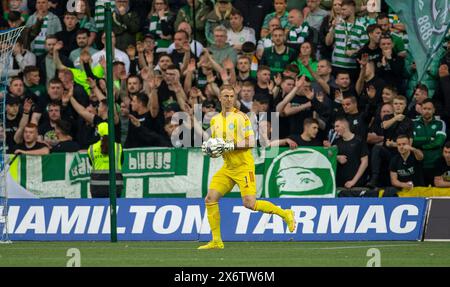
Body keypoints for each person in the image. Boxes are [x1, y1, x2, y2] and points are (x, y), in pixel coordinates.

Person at [198, 85, 295, 250]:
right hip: (228, 168)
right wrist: (210, 149)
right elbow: (218, 145)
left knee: (250, 204)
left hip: (244, 167)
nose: (228, 99)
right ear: (220, 98)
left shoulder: (242, 117)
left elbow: (251, 142)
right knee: (210, 199)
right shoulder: (215, 120)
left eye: (231, 96)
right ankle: (216, 240)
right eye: (225, 96)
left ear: (234, 98)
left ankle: (285, 213)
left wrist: (230, 146)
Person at [87, 122, 123, 198]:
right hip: (115, 186)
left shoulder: (91, 148)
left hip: (96, 187)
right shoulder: (118, 147)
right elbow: (121, 161)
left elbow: (91, 163)